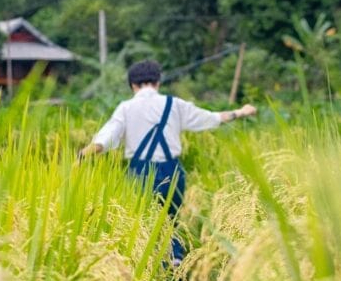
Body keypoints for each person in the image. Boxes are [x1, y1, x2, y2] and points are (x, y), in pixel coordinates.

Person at [79, 59, 257, 266]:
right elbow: (211, 118)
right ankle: (176, 260)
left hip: (141, 172)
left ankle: (157, 272)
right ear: (157, 83)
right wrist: (241, 112)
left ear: (133, 86)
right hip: (173, 171)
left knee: (145, 223)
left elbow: (106, 138)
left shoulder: (126, 108)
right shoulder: (175, 105)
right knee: (169, 220)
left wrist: (83, 154)